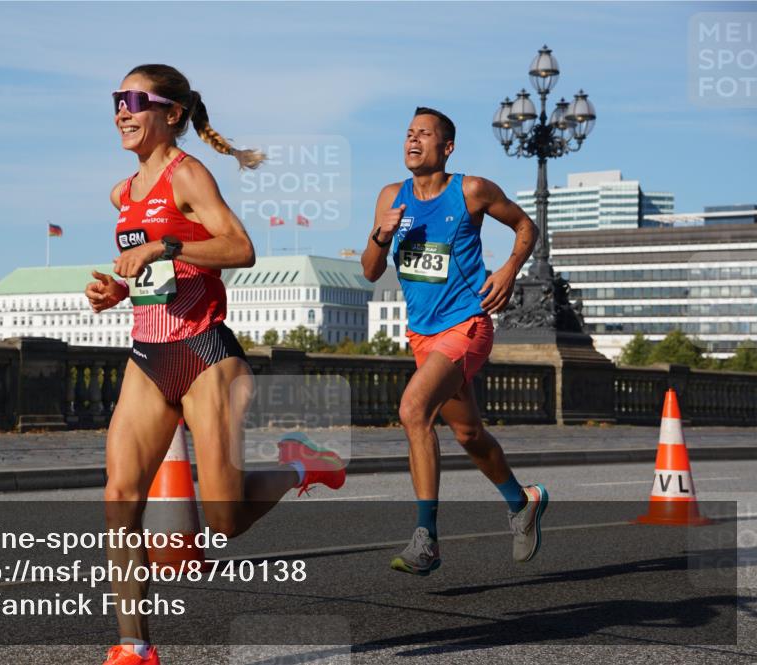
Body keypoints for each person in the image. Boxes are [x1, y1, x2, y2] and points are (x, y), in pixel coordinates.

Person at [85, 64, 346, 665]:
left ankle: (300, 466)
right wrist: (117, 293)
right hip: (149, 357)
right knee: (119, 497)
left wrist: (166, 244)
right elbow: (154, 280)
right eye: (115, 100)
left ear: (172, 113)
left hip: (206, 356)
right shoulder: (122, 194)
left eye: (134, 100)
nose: (121, 111)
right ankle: (134, 647)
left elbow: (240, 248)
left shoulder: (188, 174)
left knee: (224, 523)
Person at [361, 107, 547, 577]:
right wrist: (381, 233)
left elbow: (528, 226)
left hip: (468, 324)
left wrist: (507, 269)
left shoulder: (470, 190)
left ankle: (427, 539)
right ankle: (521, 502)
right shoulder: (391, 197)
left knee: (412, 410)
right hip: (423, 335)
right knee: (468, 434)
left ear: (446, 147)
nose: (412, 140)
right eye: (408, 133)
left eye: (424, 134)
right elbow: (368, 270)